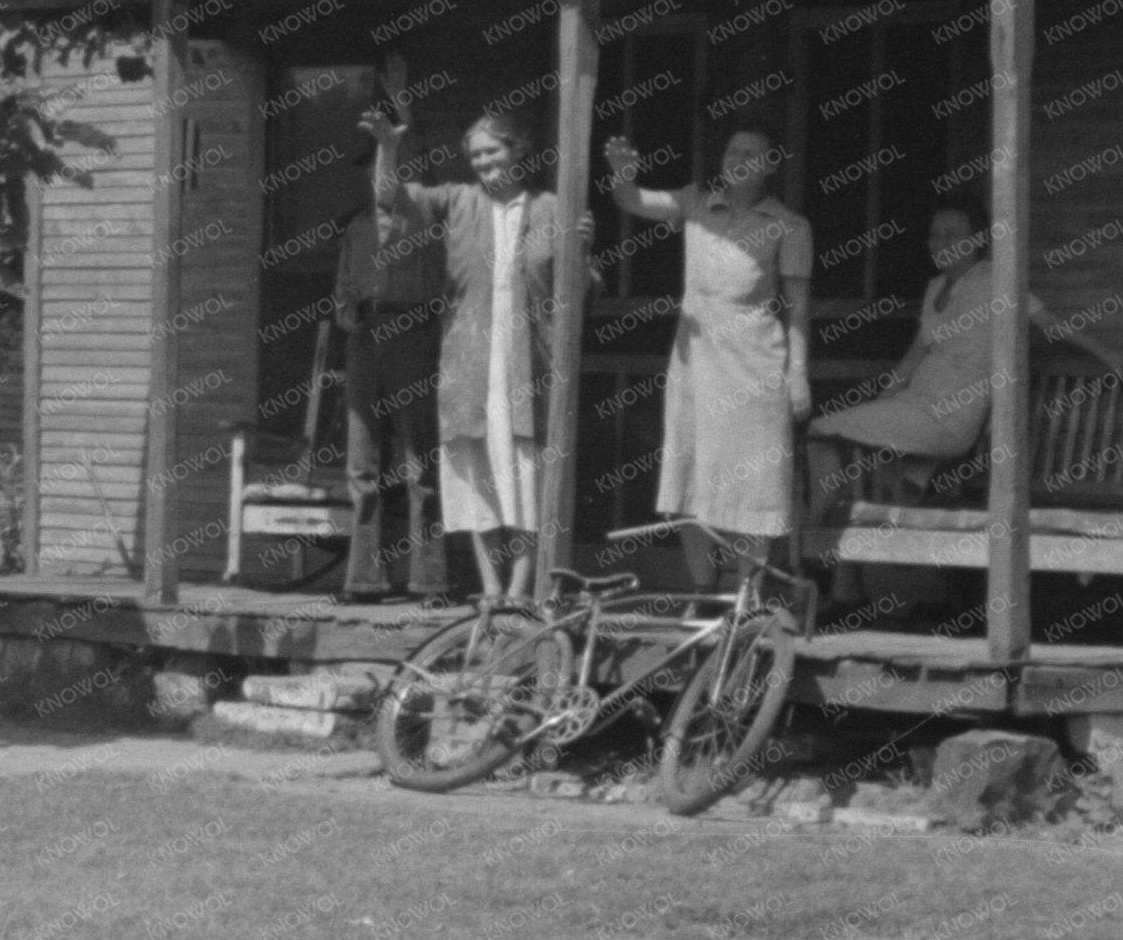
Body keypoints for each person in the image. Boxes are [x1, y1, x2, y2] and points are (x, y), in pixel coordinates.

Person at [359, 103, 578, 605]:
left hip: (530, 366)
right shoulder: (456, 201)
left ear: (518, 150)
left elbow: (581, 289)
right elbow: (389, 197)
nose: (483, 162)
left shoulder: (551, 208)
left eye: (493, 151)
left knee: (524, 476)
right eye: (475, 155)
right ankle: (492, 587)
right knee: (476, 474)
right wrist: (388, 148)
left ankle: (524, 588)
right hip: (470, 363)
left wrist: (581, 250)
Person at [807, 199, 1123, 517]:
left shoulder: (996, 280)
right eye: (935, 235)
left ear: (978, 239)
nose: (939, 243)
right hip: (912, 407)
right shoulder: (936, 287)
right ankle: (877, 522)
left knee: (820, 432)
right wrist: (880, 406)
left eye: (952, 235)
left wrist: (1110, 355)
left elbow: (1051, 323)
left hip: (946, 419)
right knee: (854, 449)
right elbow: (912, 358)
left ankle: (813, 527)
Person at [604, 125, 812, 592]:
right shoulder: (698, 202)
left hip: (756, 363)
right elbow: (636, 202)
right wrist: (622, 177)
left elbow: (799, 306)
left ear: (772, 165)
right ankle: (702, 590)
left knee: (754, 481)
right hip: (696, 361)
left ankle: (747, 597)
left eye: (752, 153)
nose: (738, 158)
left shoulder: (791, 225)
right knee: (692, 474)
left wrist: (798, 375)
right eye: (732, 149)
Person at [330, 193, 443, 600]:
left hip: (413, 333)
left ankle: (428, 579)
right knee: (362, 463)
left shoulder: (427, 223)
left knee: (421, 463)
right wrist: (349, 315)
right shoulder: (357, 227)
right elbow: (343, 287)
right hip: (364, 337)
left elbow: (446, 282)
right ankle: (364, 578)